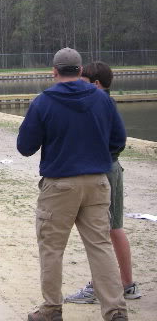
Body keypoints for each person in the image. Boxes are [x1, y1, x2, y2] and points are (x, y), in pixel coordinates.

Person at [17, 48, 128, 321]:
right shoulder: (103, 100)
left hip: (59, 185)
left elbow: (25, 147)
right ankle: (115, 311)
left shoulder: (43, 102)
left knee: (52, 248)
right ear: (80, 71)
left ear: (54, 71)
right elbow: (118, 141)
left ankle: (52, 309)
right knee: (100, 245)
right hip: (98, 182)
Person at [64, 61, 141, 305]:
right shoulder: (108, 103)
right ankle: (127, 284)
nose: (78, 85)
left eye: (83, 81)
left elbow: (113, 141)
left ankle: (98, 287)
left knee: (98, 234)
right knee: (114, 227)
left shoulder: (95, 105)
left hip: (102, 171)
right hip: (113, 167)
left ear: (96, 84)